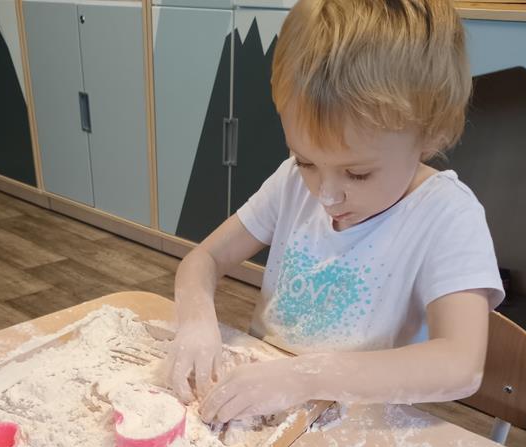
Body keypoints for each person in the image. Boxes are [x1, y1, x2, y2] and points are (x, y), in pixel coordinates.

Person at [167, 0, 504, 424]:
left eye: (357, 173)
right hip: (269, 408)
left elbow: (460, 365)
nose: (326, 195)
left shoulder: (447, 216)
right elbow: (204, 258)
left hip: (357, 428)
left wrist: (307, 378)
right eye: (306, 160)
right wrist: (196, 320)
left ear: (429, 136)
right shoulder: (291, 184)